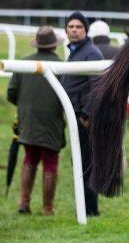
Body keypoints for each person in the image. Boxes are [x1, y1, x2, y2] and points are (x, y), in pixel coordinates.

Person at [7, 26, 66, 215]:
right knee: (50, 162)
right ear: (54, 45)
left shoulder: (23, 63)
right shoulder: (62, 66)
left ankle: (24, 202)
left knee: (29, 159)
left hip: (28, 121)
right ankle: (47, 207)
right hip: (52, 121)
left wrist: (24, 107)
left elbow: (11, 92)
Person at [61, 12, 103, 216]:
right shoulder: (74, 52)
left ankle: (91, 209)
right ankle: (84, 207)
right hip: (75, 116)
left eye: (78, 27)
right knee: (79, 162)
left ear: (85, 30)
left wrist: (86, 114)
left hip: (84, 119)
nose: (74, 30)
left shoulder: (91, 53)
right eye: (71, 27)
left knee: (87, 164)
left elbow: (97, 87)